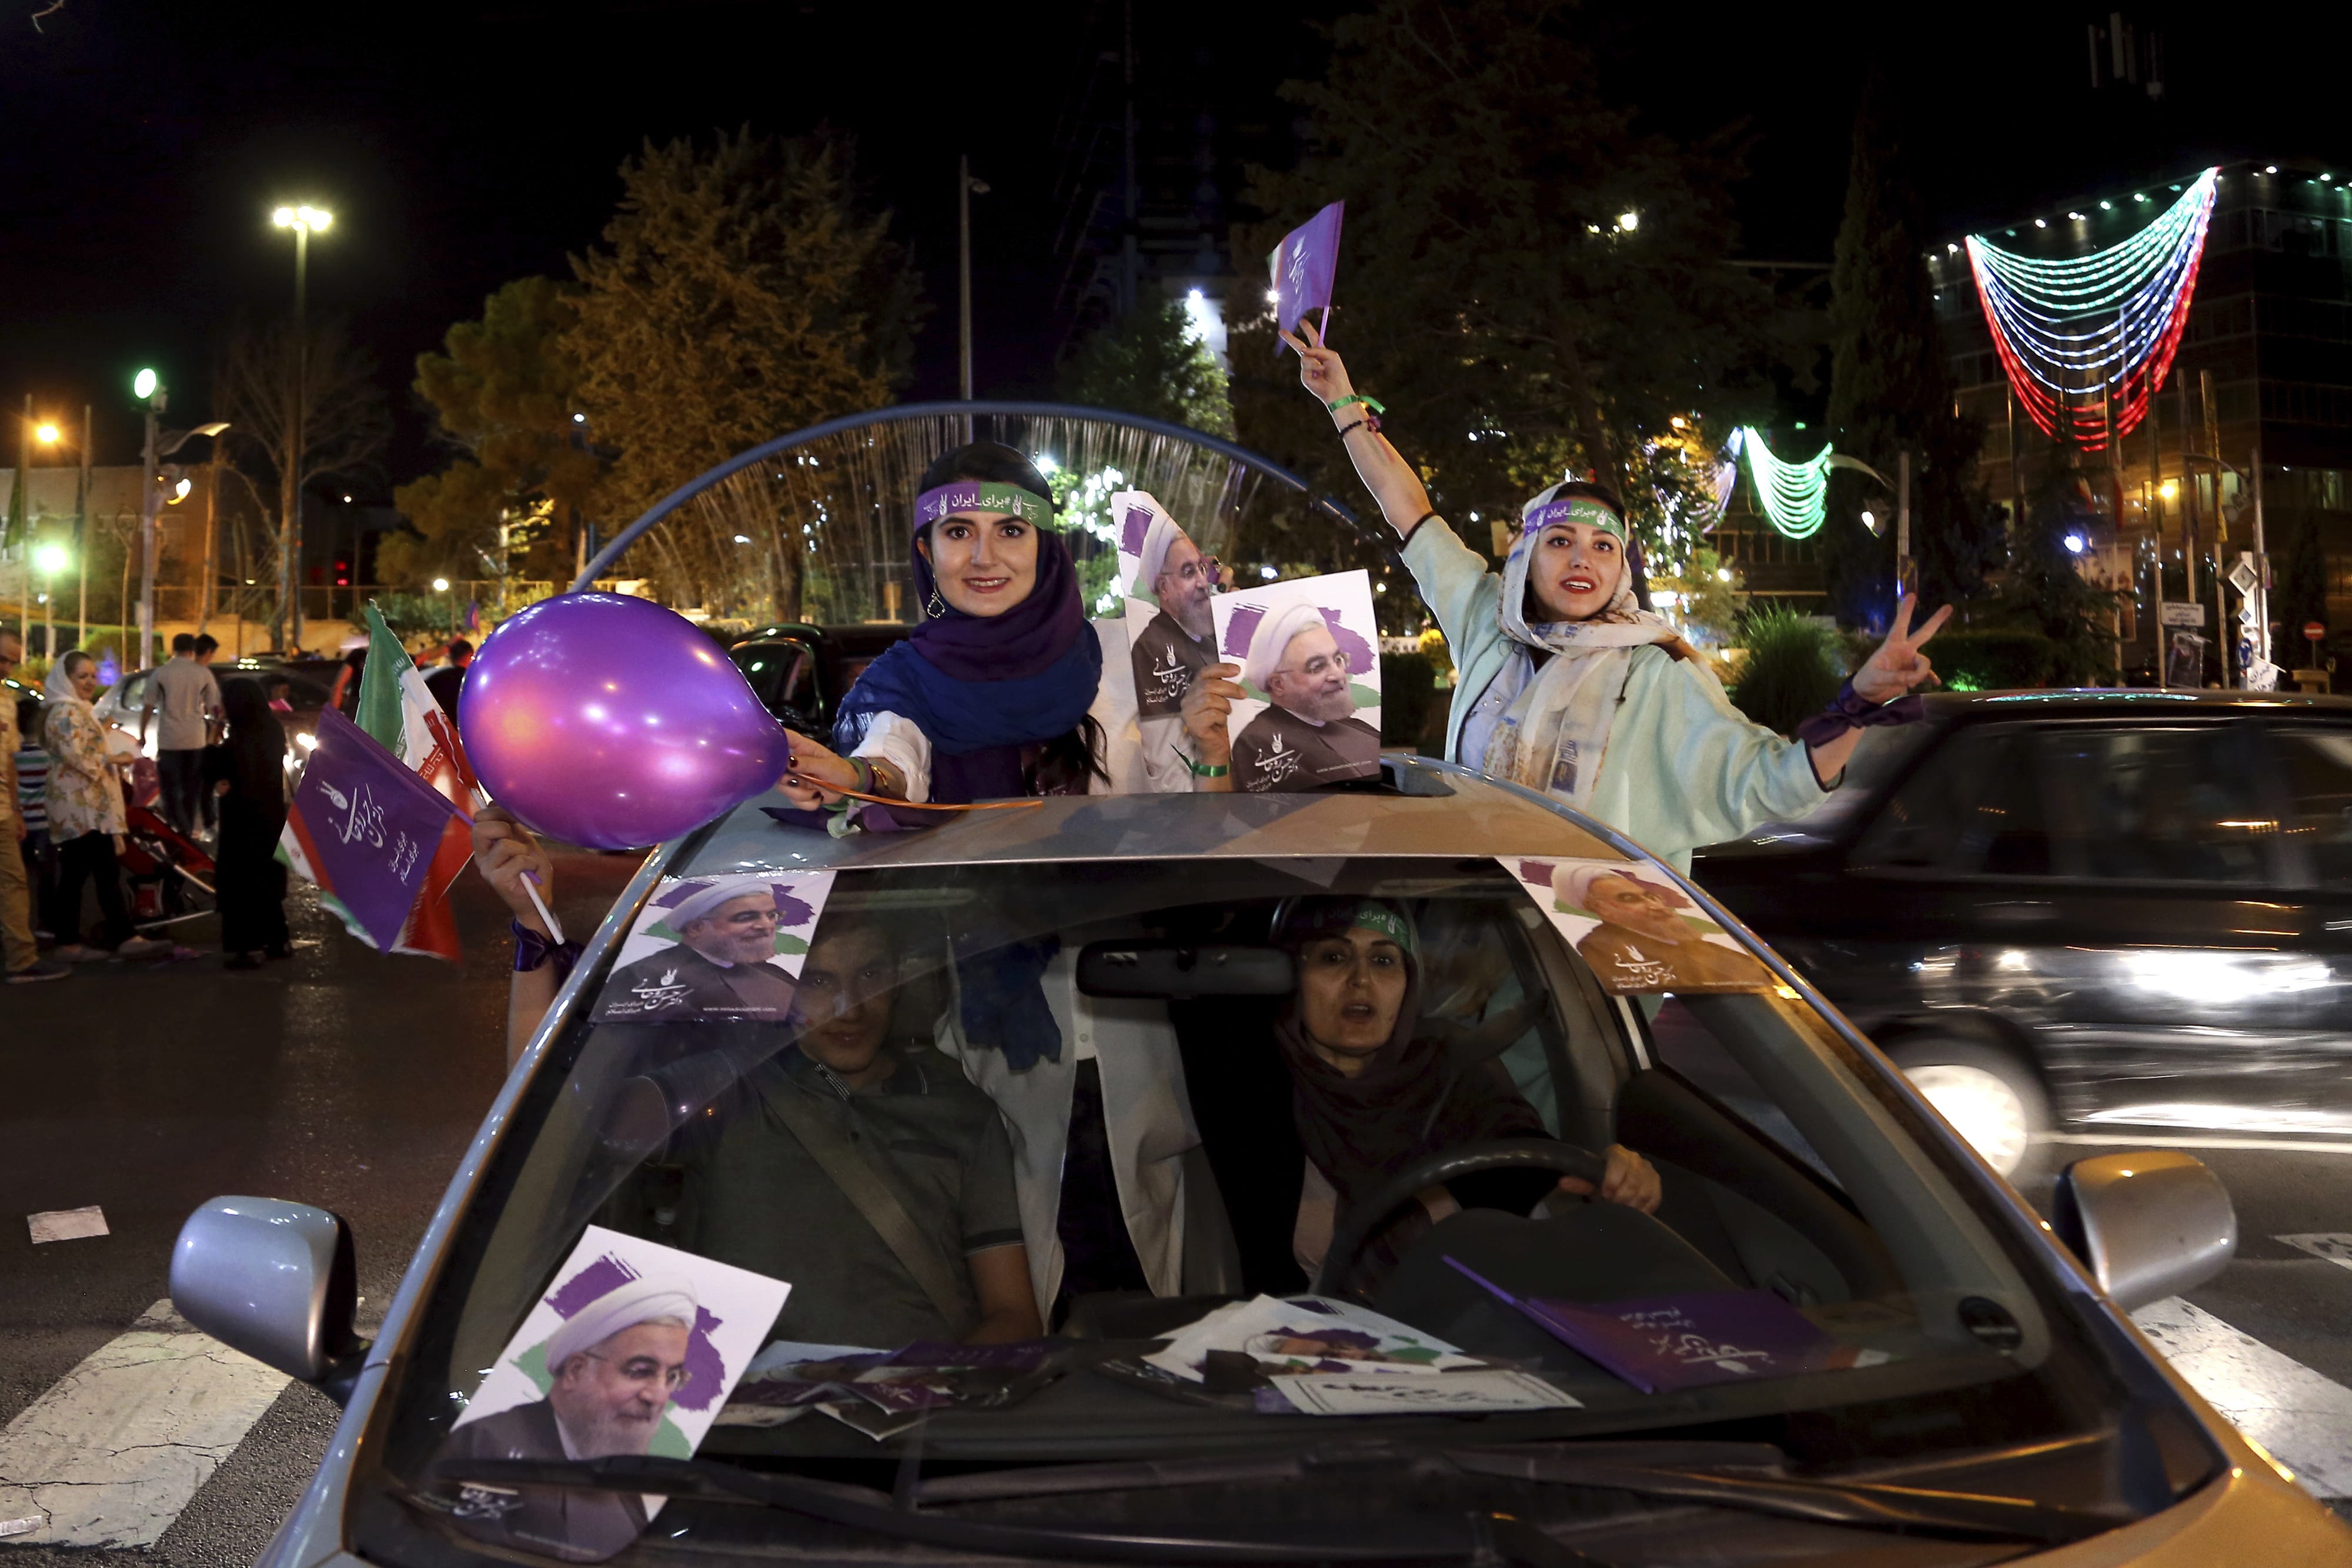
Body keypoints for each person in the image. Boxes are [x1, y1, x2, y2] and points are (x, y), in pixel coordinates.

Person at [1281, 323, 1948, 870]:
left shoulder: (1655, 671)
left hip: (1603, 953)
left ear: (1621, 567)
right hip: (1483, 925)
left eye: (1603, 547)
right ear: (1525, 556)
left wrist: (1857, 703)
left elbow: (1770, 778)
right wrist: (1342, 405)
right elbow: (1410, 511)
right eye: (1560, 541)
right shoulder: (1487, 619)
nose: (1582, 559)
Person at [669, 917, 1044, 1348]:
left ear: (901, 977)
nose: (851, 1008)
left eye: (871, 975)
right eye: (817, 980)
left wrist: (930, 1392)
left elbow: (1013, 1314)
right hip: (747, 1399)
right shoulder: (722, 1095)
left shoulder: (961, 1111)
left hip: (918, 1402)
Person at [1271, 897, 1658, 1295]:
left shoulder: (1453, 1067)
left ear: (1409, 981)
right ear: (1295, 975)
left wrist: (1609, 1177)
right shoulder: (1248, 1084)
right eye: (1334, 957)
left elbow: (1526, 1164)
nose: (1361, 980)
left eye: (1384, 961)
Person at [777, 443, 1110, 810]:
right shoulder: (906, 679)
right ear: (926, 552)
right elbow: (893, 752)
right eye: (958, 533)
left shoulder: (1119, 658)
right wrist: (859, 778)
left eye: (1011, 531)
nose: (985, 558)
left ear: (1044, 547)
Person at [435, 1275, 696, 1561]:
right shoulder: (487, 1444)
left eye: (672, 1377)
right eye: (640, 1370)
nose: (658, 1396)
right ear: (575, 1371)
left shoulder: (621, 1469)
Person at [44, 652, 166, 961]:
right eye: (81, 677)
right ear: (66, 679)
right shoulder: (64, 712)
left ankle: (108, 937)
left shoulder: (79, 710)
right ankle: (81, 941)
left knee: (96, 872)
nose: (89, 682)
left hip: (90, 806)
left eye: (92, 676)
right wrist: (115, 758)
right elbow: (77, 756)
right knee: (86, 874)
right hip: (79, 807)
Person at [596, 876, 799, 1020]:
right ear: (696, 928)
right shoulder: (640, 977)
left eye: (772, 916)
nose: (766, 926)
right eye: (746, 918)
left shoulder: (775, 975)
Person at [1230, 602, 1382, 793]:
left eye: (1338, 660)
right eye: (1317, 667)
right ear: (1278, 685)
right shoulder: (1257, 742)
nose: (1338, 675)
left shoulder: (1358, 728)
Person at [1553, 863, 1772, 994]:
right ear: (1602, 909)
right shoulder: (1601, 949)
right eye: (1629, 899)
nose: (1656, 906)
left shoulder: (1696, 945)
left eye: (1651, 896)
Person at [206, 677, 292, 969]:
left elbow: (217, 770)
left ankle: (247, 947)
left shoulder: (238, 738)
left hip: (241, 820)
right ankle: (277, 940)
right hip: (270, 817)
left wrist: (213, 736)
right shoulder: (272, 729)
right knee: (266, 878)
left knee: (241, 882)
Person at [1, 633, 69, 983]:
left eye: (12, 661)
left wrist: (14, 810)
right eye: (3, 660)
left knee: (14, 882)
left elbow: (9, 760)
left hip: (2, 812)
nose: (7, 667)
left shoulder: (7, 701)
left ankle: (21, 959)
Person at [141, 634, 221, 840]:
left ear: (173, 648)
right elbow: (215, 707)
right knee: (191, 788)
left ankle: (174, 828)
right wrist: (215, 730)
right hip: (196, 739)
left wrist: (142, 734)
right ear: (192, 649)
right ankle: (186, 831)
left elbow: (148, 705)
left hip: (169, 739)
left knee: (170, 788)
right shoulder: (203, 674)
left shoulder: (161, 673)